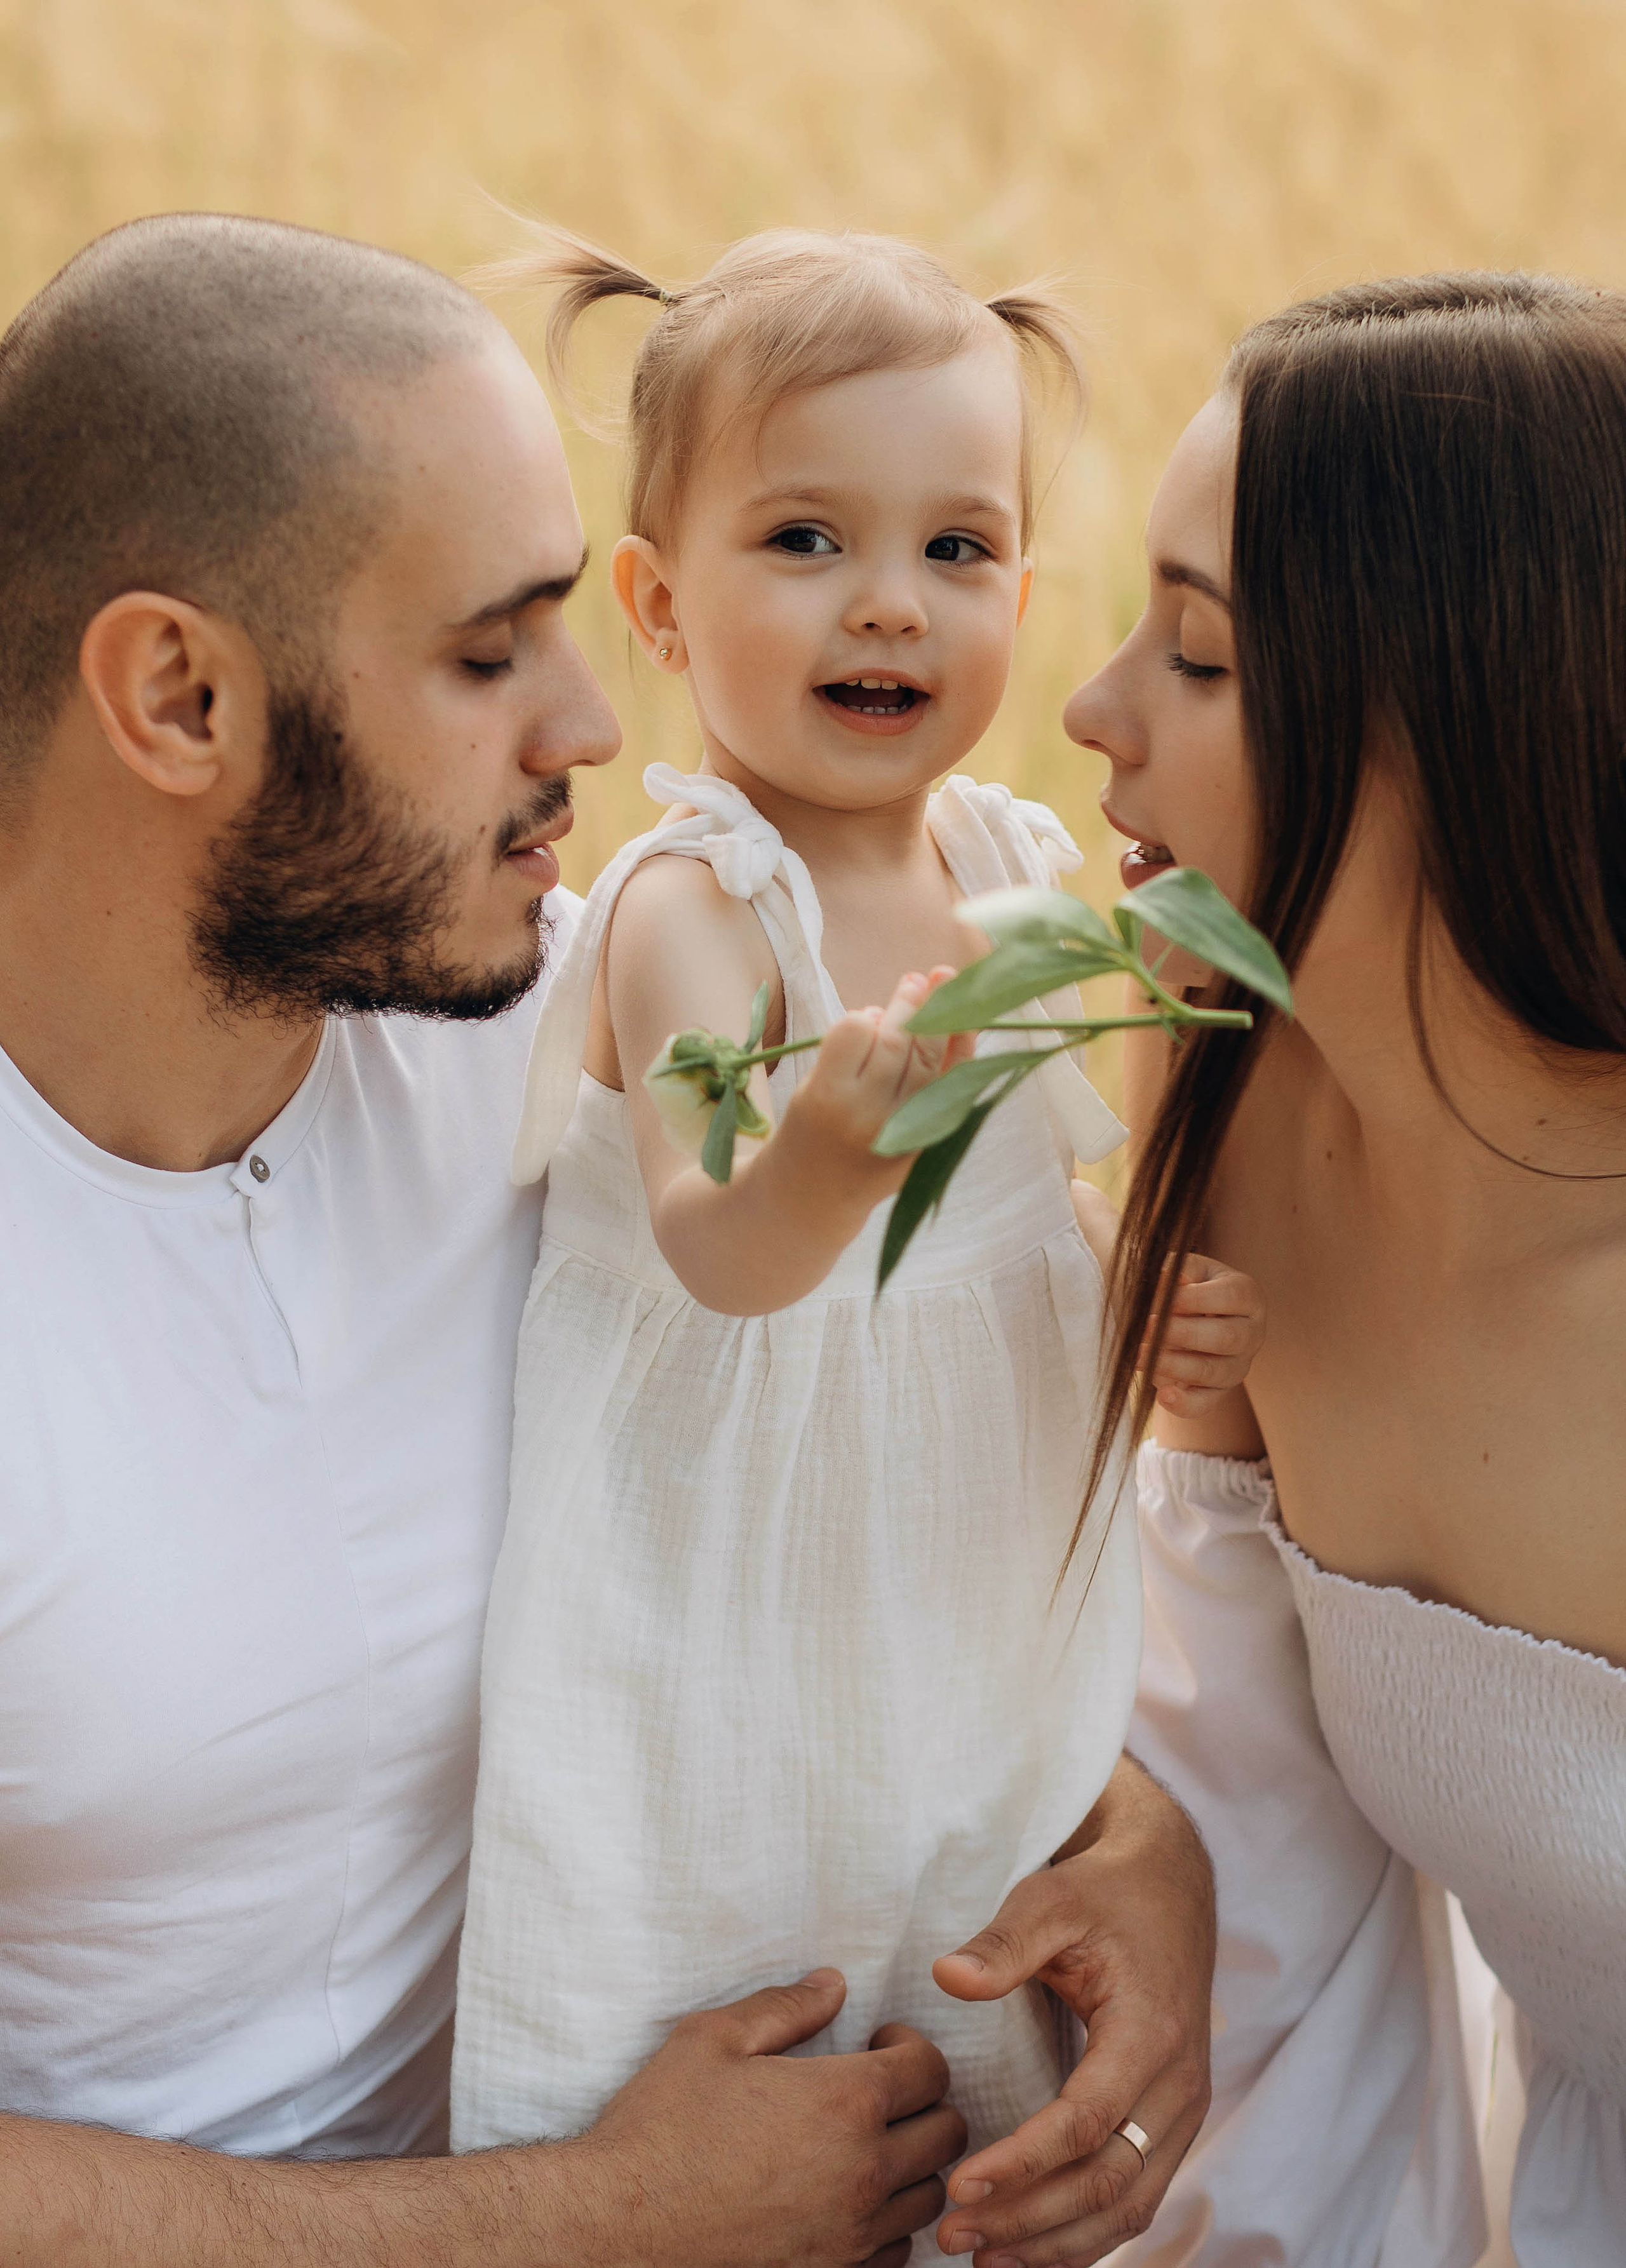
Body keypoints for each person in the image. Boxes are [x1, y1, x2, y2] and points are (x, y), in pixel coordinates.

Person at [0, 211, 1216, 2268]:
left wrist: (1137, 1850)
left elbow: (883, 1457)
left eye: (572, 622)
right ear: (180, 694)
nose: (589, 723)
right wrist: (590, 2215)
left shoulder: (563, 1024)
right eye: (488, 655)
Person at [450, 227, 1261, 2265]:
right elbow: (729, 1242)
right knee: (743, 1940)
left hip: (962, 1570)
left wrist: (1129, 1283)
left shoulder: (1012, 867)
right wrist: (831, 1141)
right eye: (807, 539)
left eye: (961, 548)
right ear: (656, 603)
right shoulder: (694, 905)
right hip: (731, 1581)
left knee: (971, 1961)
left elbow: (1029, 1192)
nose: (893, 601)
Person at [1038, 271, 1626, 2267]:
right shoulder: (1214, 1074)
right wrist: (1136, 1847)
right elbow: (1219, 1706)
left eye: (1196, 658)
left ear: (1447, 717)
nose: (1091, 709)